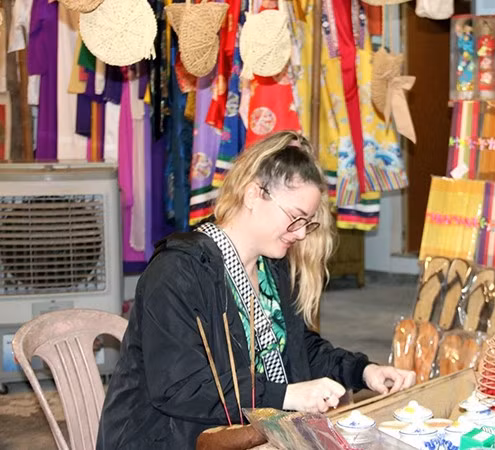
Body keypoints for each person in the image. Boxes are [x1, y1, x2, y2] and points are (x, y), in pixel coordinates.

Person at [97, 131, 416, 449]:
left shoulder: (271, 269)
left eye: (307, 222)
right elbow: (180, 386)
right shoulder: (177, 271)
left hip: (240, 435)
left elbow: (297, 349)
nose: (301, 234)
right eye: (295, 217)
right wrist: (287, 395)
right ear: (253, 195)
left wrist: (363, 371)